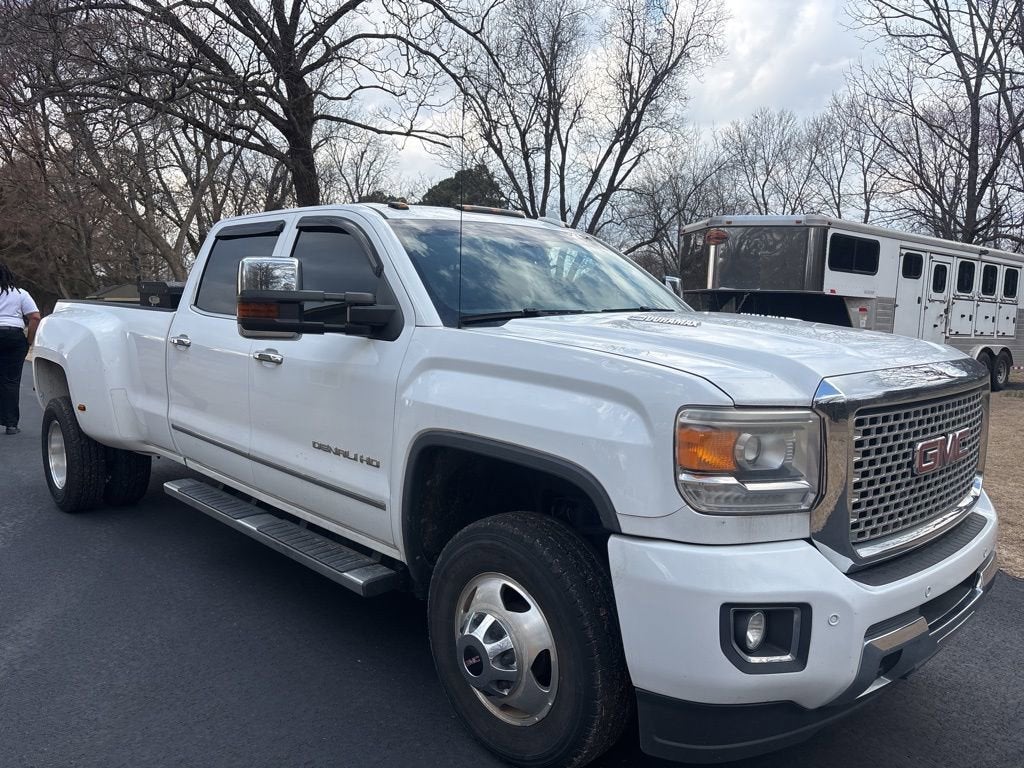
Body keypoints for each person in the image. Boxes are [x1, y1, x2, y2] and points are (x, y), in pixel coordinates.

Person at [0, 263, 41, 435]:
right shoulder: (20, 294)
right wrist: (29, 341)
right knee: (10, 381)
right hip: (13, 337)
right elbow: (35, 317)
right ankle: (11, 424)